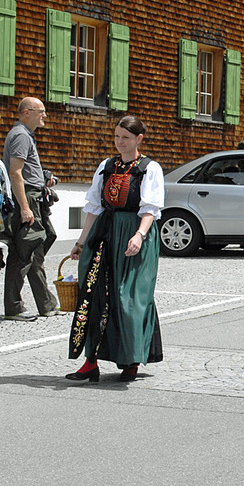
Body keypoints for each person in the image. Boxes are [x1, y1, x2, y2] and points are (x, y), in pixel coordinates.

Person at [65, 116, 165, 382]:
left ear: (139, 139)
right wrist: (80, 242)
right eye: (117, 136)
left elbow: (150, 210)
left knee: (129, 298)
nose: (120, 142)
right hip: (105, 234)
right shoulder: (106, 166)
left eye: (126, 138)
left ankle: (130, 359)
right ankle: (90, 362)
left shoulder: (149, 168)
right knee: (93, 295)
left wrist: (139, 235)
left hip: (134, 235)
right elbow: (93, 208)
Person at [3, 97, 60, 321]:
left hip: (34, 197)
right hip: (26, 200)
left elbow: (25, 172)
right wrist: (25, 208)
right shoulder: (20, 136)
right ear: (27, 112)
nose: (44, 115)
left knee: (35, 251)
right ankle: (14, 308)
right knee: (23, 253)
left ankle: (46, 304)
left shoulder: (25, 135)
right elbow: (15, 173)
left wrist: (44, 180)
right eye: (41, 111)